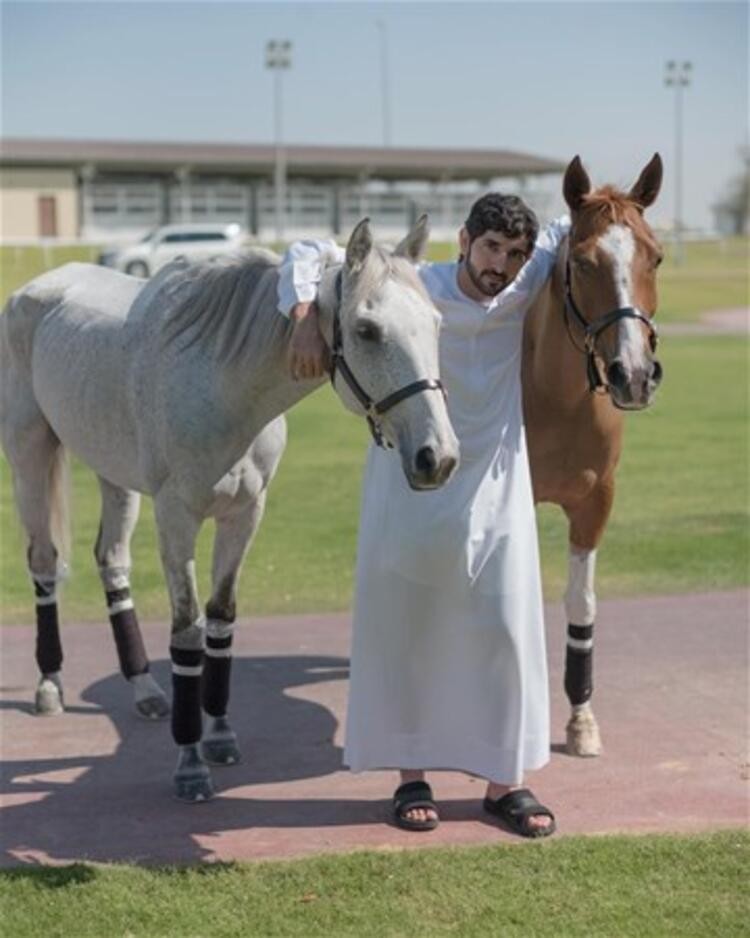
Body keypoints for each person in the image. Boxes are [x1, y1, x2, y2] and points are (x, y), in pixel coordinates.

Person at [278, 196, 569, 837]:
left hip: (496, 487)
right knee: (409, 630)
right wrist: (303, 316)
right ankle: (412, 775)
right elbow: (309, 252)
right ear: (464, 240)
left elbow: (574, 223)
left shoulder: (520, 288)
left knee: (506, 632)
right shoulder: (416, 282)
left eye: (515, 254)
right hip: (407, 483)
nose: (501, 264)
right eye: (490, 247)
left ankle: (506, 784)